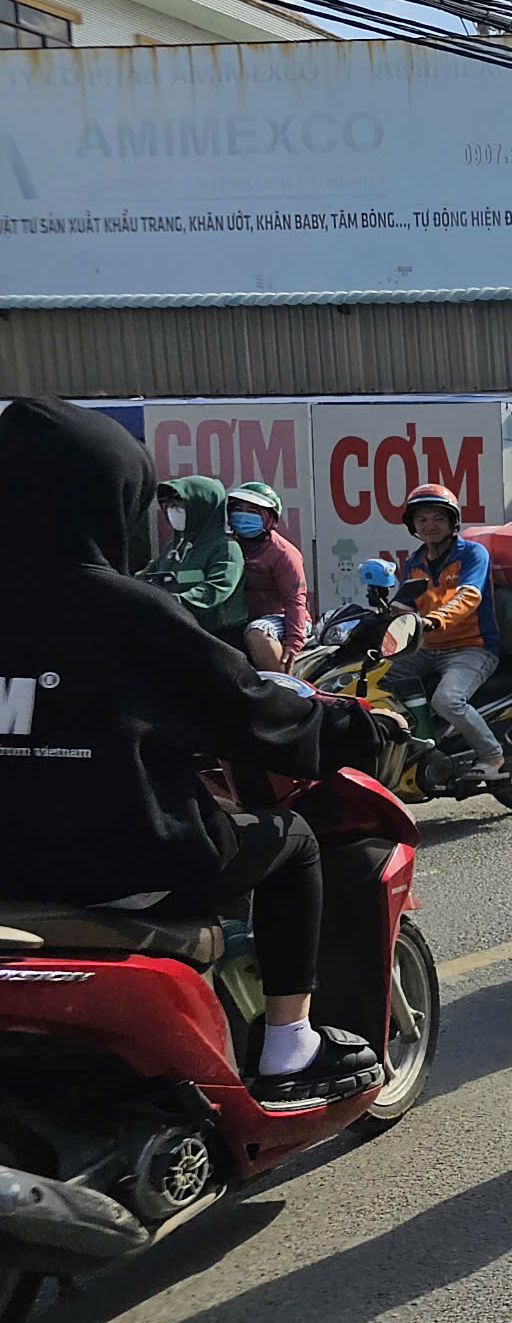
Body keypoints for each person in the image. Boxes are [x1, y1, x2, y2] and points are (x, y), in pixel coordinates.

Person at [0, 400, 405, 1103]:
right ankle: (289, 1046)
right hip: (124, 861)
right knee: (295, 844)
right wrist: (347, 729)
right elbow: (243, 708)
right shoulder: (124, 609)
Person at [383, 483, 507, 783]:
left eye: (437, 518)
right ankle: (425, 738)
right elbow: (402, 603)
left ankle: (493, 755)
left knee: (447, 701)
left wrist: (434, 619)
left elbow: (468, 596)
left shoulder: (472, 554)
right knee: (381, 679)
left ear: (453, 523)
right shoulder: (415, 562)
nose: (429, 526)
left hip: (472, 647)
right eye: (422, 519)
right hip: (427, 648)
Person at [147, 475, 247, 637]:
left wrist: (174, 602)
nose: (172, 511)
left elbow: (216, 589)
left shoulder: (226, 548)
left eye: (178, 505)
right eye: (168, 506)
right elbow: (148, 577)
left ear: (200, 507)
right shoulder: (174, 548)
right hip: (179, 625)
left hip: (218, 636)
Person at [224, 482, 308, 674]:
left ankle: (284, 691)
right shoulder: (227, 547)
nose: (244, 515)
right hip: (241, 618)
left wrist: (293, 643)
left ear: (270, 517)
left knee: (257, 633)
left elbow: (295, 602)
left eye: (253, 511)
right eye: (238, 509)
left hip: (281, 619)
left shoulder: (283, 553)